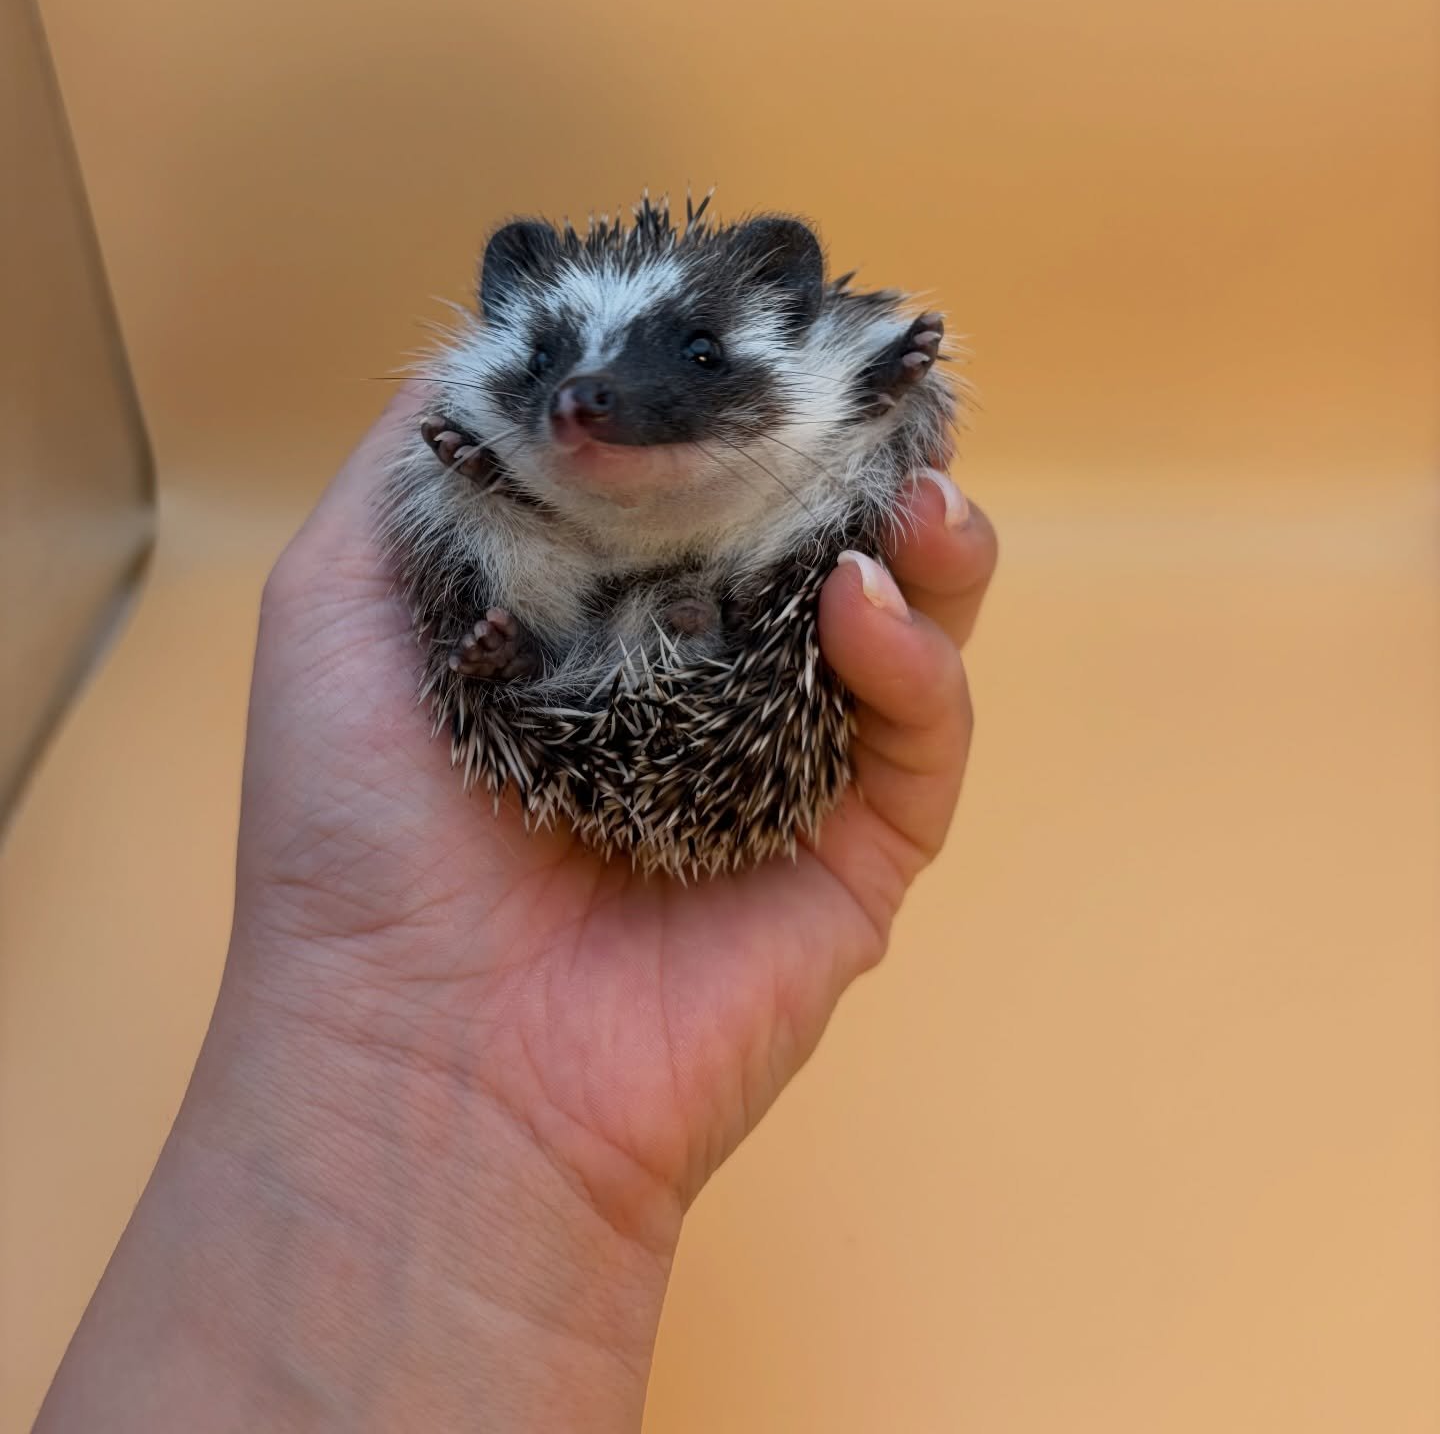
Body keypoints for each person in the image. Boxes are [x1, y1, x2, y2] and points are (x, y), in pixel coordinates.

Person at [35, 391, 998, 1431]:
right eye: (558, 363)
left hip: (667, 628)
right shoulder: (502, 441)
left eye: (694, 353)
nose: (592, 396)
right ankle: (550, 647)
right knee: (501, 539)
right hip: (576, 646)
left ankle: (574, 638)